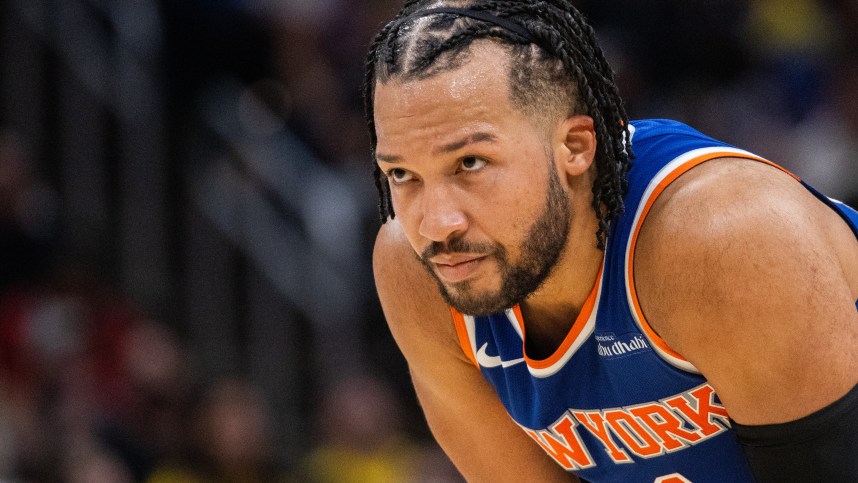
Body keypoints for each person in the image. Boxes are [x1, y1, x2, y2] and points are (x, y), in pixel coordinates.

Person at [364, 1, 858, 482]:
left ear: (575, 147)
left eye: (470, 163)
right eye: (402, 173)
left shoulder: (723, 240)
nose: (436, 224)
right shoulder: (418, 269)